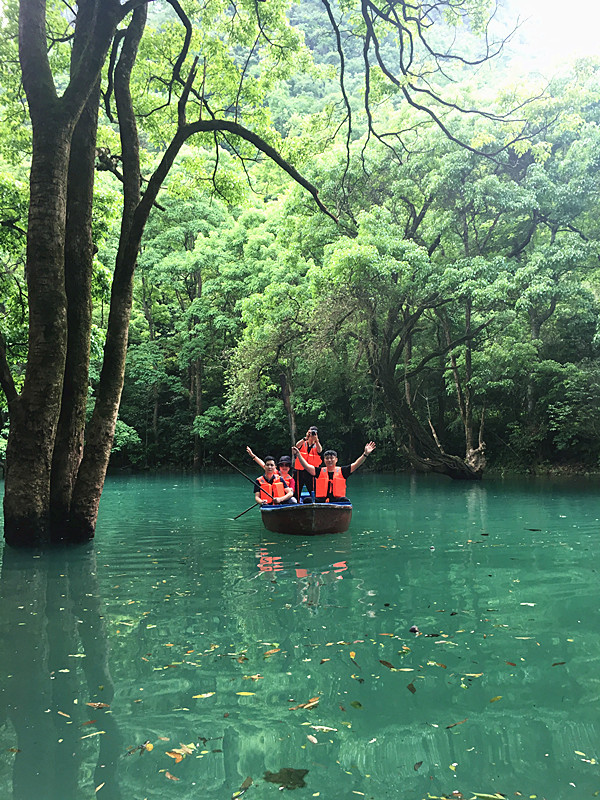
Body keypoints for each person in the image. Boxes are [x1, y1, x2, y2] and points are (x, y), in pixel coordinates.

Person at [292, 441, 376, 503]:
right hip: (321, 500)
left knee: (345, 501)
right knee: (307, 500)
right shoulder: (319, 471)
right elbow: (306, 466)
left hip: (337, 500)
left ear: (336, 460)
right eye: (327, 458)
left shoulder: (343, 471)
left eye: (331, 458)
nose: (329, 460)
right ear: (324, 460)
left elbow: (356, 464)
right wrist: (299, 455)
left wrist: (365, 454)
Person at [294, 426, 323, 500]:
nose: (312, 435)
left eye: (313, 433)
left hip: (311, 472)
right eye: (310, 432)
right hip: (299, 471)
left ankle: (315, 503)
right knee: (297, 490)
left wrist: (317, 440)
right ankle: (296, 503)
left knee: (313, 489)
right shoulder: (303, 442)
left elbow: (320, 451)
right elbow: (297, 446)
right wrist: (305, 438)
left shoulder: (317, 445)